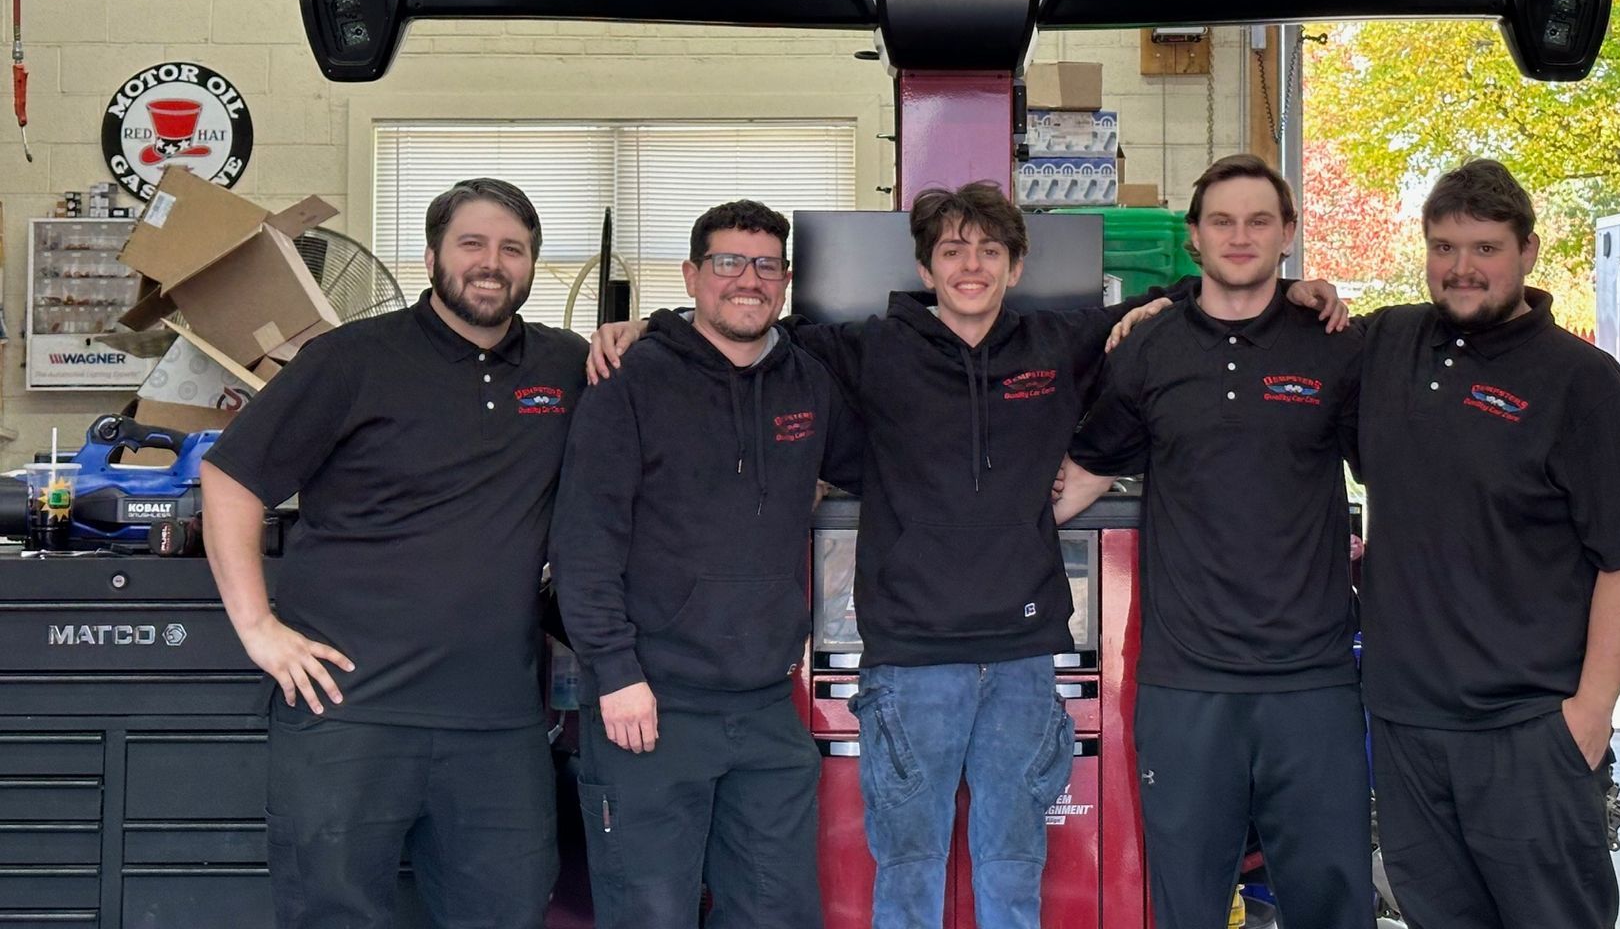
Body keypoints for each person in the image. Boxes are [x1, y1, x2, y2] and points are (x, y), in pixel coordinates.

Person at [586, 181, 1341, 929]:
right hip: (911, 666)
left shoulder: (1056, 345)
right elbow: (737, 327)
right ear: (925, 269)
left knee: (1014, 874)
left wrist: (1297, 289)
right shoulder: (867, 349)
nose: (970, 266)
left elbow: (1194, 291)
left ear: (1015, 268)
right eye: (952, 250)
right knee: (908, 879)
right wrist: (647, 325)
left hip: (1021, 662)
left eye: (989, 251)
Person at [201, 178, 587, 929]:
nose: (491, 262)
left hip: (497, 725)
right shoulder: (351, 359)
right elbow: (231, 478)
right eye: (471, 244)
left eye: (512, 249)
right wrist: (258, 629)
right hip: (348, 714)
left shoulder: (565, 366)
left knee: (507, 912)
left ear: (533, 266)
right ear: (431, 256)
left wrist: (634, 333)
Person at [1357, 159, 1620, 929]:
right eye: (1443, 247)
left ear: (1528, 251)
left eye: (1485, 248)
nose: (1461, 268)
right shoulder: (1388, 345)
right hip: (1408, 727)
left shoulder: (1580, 381)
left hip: (1528, 731)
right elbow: (1275, 333)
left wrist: (1588, 718)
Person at [1053, 155, 1373, 929]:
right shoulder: (1151, 348)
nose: (1241, 236)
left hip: (1313, 682)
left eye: (1260, 221)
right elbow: (1082, 477)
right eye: (1222, 221)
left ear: (1288, 235)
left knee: (1331, 899)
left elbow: (1402, 478)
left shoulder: (1333, 345)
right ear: (1193, 238)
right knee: (1186, 902)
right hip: (1186, 682)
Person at [550, 200, 865, 928]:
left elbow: (870, 466)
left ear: (785, 281)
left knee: (776, 912)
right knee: (651, 912)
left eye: (765, 266)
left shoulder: (808, 383)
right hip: (650, 706)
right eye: (728, 263)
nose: (746, 280)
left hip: (762, 705)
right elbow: (585, 540)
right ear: (693, 276)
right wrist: (617, 672)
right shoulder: (630, 381)